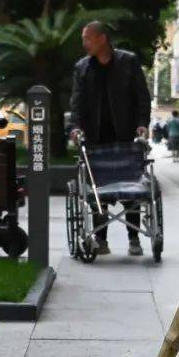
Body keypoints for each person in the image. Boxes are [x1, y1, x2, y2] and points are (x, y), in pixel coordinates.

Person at [69, 21, 151, 256]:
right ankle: (100, 239)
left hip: (125, 134)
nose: (84, 44)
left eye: (87, 38)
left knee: (131, 186)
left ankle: (134, 237)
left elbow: (141, 97)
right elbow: (77, 103)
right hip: (95, 137)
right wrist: (75, 127)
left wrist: (142, 125)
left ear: (102, 39)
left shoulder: (129, 62)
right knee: (97, 188)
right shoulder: (82, 68)